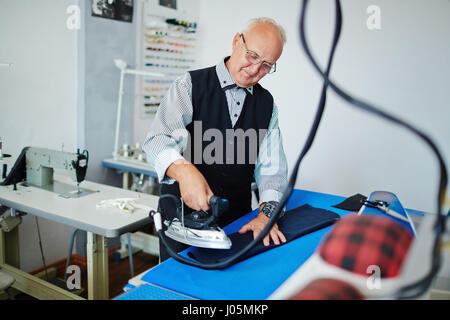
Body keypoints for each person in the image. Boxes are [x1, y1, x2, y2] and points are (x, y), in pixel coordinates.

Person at [143, 17, 289, 262]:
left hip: (238, 223)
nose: (255, 70)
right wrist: (183, 170)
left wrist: (267, 214)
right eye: (252, 56)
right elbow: (157, 139)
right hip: (181, 221)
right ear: (236, 42)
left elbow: (272, 171)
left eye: (266, 65)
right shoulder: (189, 85)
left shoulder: (267, 105)